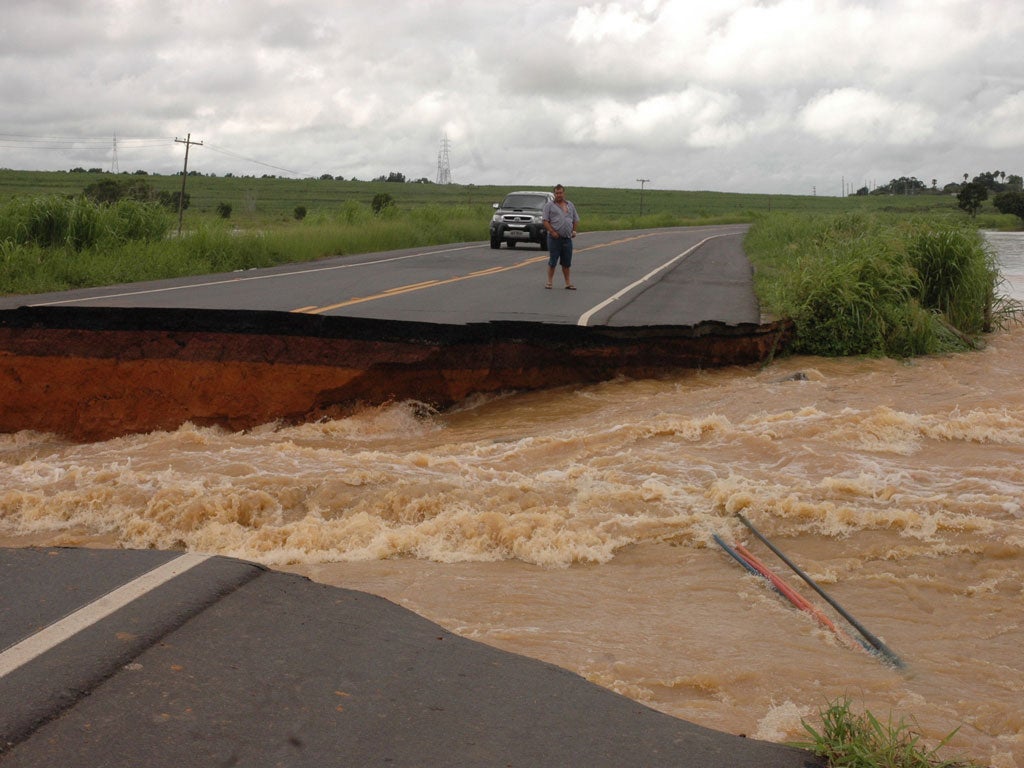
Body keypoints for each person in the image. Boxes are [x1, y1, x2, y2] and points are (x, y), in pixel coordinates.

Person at [541, 184, 580, 289]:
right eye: (557, 193)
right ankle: (549, 282)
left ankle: (568, 283)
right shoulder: (549, 206)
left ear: (564, 193)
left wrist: (574, 231)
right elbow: (545, 220)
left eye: (561, 193)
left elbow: (575, 219)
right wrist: (552, 231)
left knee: (566, 262)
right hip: (554, 238)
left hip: (567, 238)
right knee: (553, 260)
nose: (559, 195)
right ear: (554, 194)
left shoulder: (570, 205)